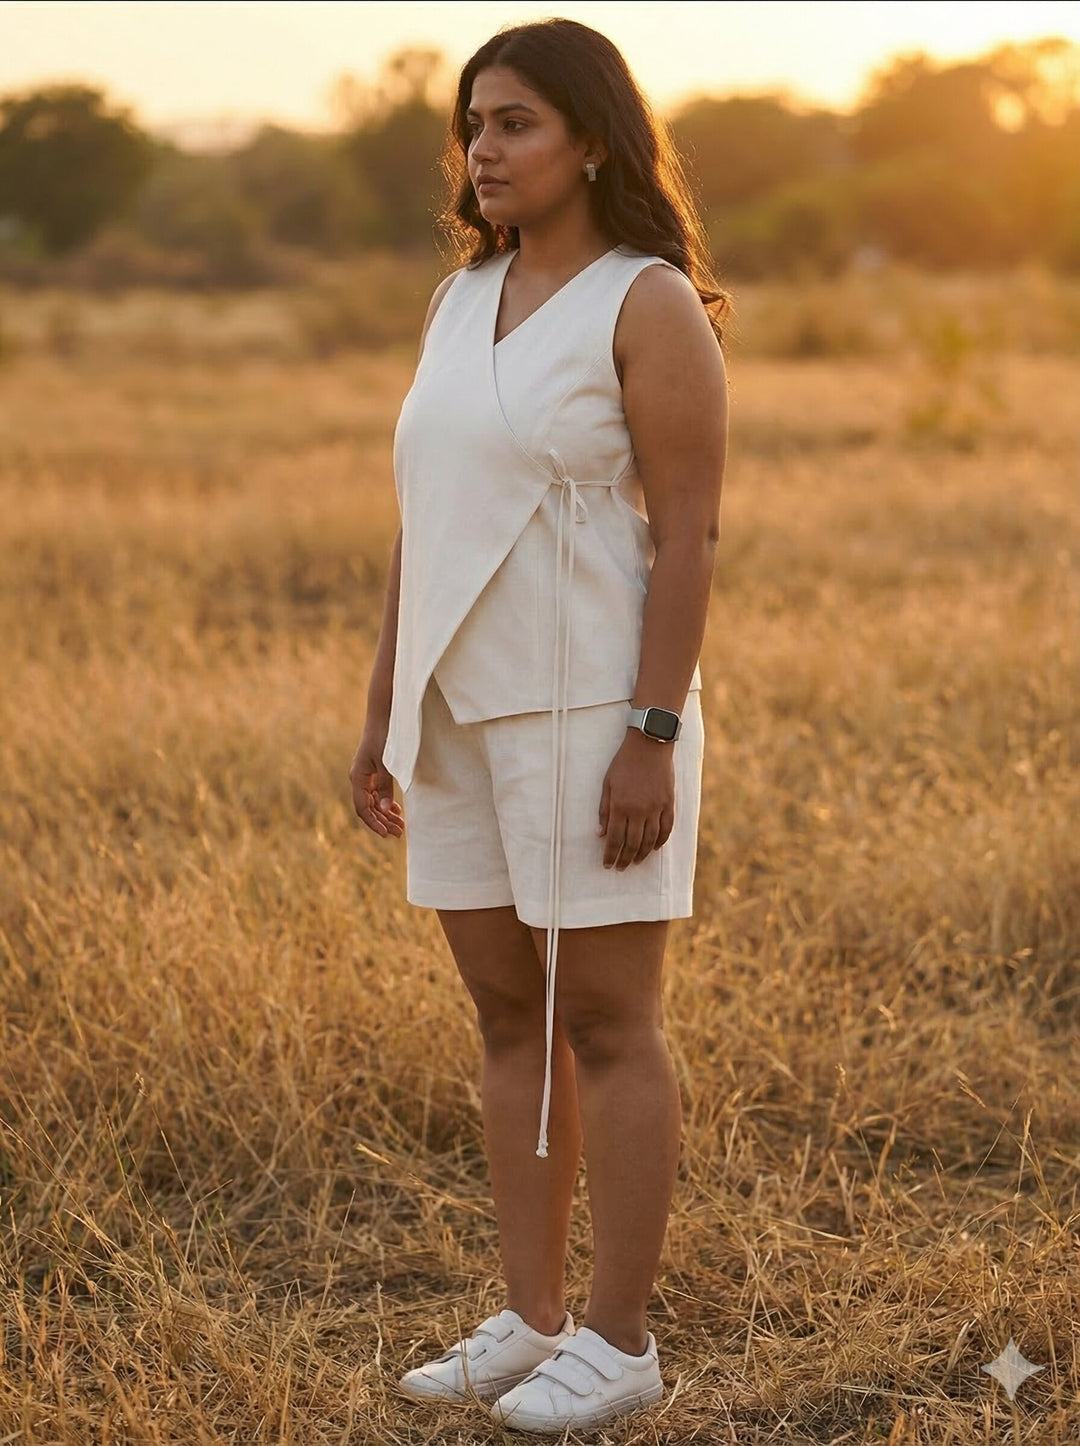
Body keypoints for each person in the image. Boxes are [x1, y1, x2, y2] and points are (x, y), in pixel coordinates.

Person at [349, 17, 728, 1434]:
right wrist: (385, 708)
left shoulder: (647, 302)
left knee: (614, 1022)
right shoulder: (463, 299)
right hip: (456, 712)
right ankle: (532, 1315)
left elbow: (687, 536)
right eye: (472, 123)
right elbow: (422, 521)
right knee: (510, 1016)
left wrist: (654, 729)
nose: (483, 149)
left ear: (590, 138)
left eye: (514, 122)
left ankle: (619, 1342)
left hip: (589, 709)